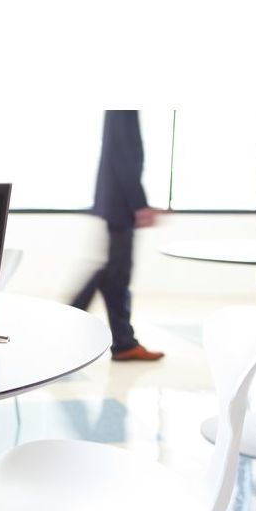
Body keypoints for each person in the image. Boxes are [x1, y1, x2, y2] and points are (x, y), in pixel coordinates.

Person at [72, 110, 165, 361]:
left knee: (112, 275)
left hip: (116, 202)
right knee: (116, 275)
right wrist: (139, 204)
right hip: (120, 205)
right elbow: (123, 157)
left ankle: (122, 341)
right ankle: (117, 340)